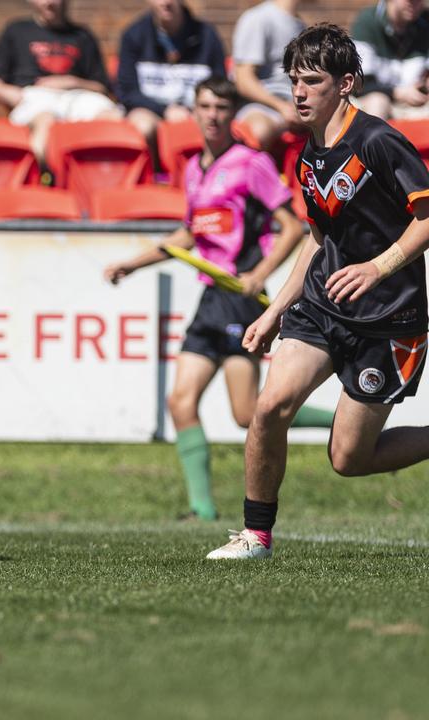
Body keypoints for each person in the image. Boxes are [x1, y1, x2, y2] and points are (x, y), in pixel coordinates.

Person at [207, 24, 429, 560]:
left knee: (349, 458)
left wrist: (379, 267)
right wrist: (276, 310)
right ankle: (256, 537)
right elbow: (318, 240)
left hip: (390, 320)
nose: (298, 92)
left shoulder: (377, 140)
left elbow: (426, 218)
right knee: (269, 407)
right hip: (324, 308)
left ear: (346, 82)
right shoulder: (308, 152)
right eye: (293, 81)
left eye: (311, 81)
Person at [104, 76, 329, 521]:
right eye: (205, 106)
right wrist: (134, 263)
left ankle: (343, 423)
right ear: (194, 110)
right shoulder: (193, 169)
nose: (212, 115)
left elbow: (292, 227)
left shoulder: (251, 163)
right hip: (211, 299)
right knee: (181, 402)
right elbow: (191, 232)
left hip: (241, 299)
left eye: (221, 108)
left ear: (232, 114)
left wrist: (257, 277)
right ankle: (201, 510)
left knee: (248, 415)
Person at [0, 0, 122, 165]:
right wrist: (15, 95)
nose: (49, 3)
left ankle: (107, 178)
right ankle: (40, 177)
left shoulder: (83, 36)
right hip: (34, 96)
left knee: (113, 119)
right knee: (47, 122)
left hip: (78, 96)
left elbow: (102, 87)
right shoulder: (16, 30)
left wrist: (71, 82)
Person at [116, 0, 226, 149]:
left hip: (195, 111)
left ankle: (207, 170)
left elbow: (220, 83)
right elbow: (127, 92)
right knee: (143, 126)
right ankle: (154, 172)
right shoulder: (133, 35)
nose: (166, 2)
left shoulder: (206, 35)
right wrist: (165, 110)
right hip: (149, 110)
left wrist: (199, 111)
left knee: (213, 121)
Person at [231, 0, 307, 152]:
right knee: (259, 131)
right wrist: (282, 107)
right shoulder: (258, 18)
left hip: (297, 104)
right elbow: (243, 81)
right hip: (263, 106)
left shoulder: (301, 26)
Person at [350, 0, 429, 120]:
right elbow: (360, 85)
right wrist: (399, 93)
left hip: (416, 103)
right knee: (378, 102)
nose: (414, 3)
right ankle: (373, 139)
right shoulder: (367, 22)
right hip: (374, 99)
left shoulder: (425, 23)